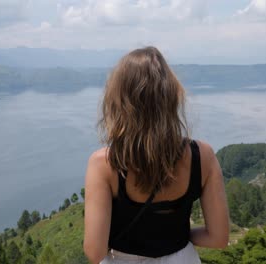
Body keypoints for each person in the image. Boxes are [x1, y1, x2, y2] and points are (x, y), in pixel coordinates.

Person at [83, 47, 229, 263]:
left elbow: (95, 252)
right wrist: (174, 236)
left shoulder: (105, 163)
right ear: (171, 97)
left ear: (119, 101)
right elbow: (218, 238)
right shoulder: (202, 156)